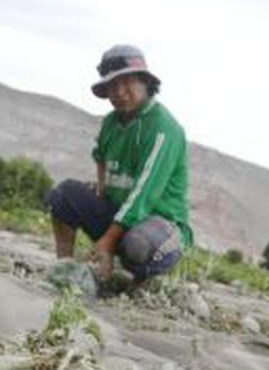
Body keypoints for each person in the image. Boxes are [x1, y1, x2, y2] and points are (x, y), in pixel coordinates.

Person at [45, 45, 192, 286]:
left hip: (160, 225)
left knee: (139, 244)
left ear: (145, 82)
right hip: (122, 215)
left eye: (127, 82)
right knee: (64, 195)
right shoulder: (111, 123)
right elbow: (100, 157)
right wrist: (102, 190)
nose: (119, 92)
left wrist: (106, 242)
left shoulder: (163, 127)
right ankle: (66, 267)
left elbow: (144, 195)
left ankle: (140, 283)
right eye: (112, 86)